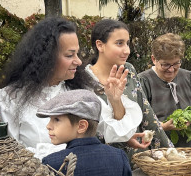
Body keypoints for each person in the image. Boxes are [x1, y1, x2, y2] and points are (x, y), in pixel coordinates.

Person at [0, 17, 145, 159]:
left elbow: (114, 132)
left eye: (77, 53)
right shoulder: (9, 98)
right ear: (46, 58)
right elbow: (8, 155)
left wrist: (115, 101)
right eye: (69, 55)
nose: (79, 61)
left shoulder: (80, 90)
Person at [72, 19, 171, 152]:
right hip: (104, 161)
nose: (127, 51)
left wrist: (169, 151)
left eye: (127, 43)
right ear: (100, 45)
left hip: (139, 159)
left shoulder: (128, 71)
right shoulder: (83, 80)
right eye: (119, 43)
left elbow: (146, 112)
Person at [137, 33, 191, 147]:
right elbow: (136, 123)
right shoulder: (143, 82)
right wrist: (163, 126)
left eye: (176, 63)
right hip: (155, 151)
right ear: (154, 59)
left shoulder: (189, 78)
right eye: (166, 65)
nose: (171, 69)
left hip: (188, 149)